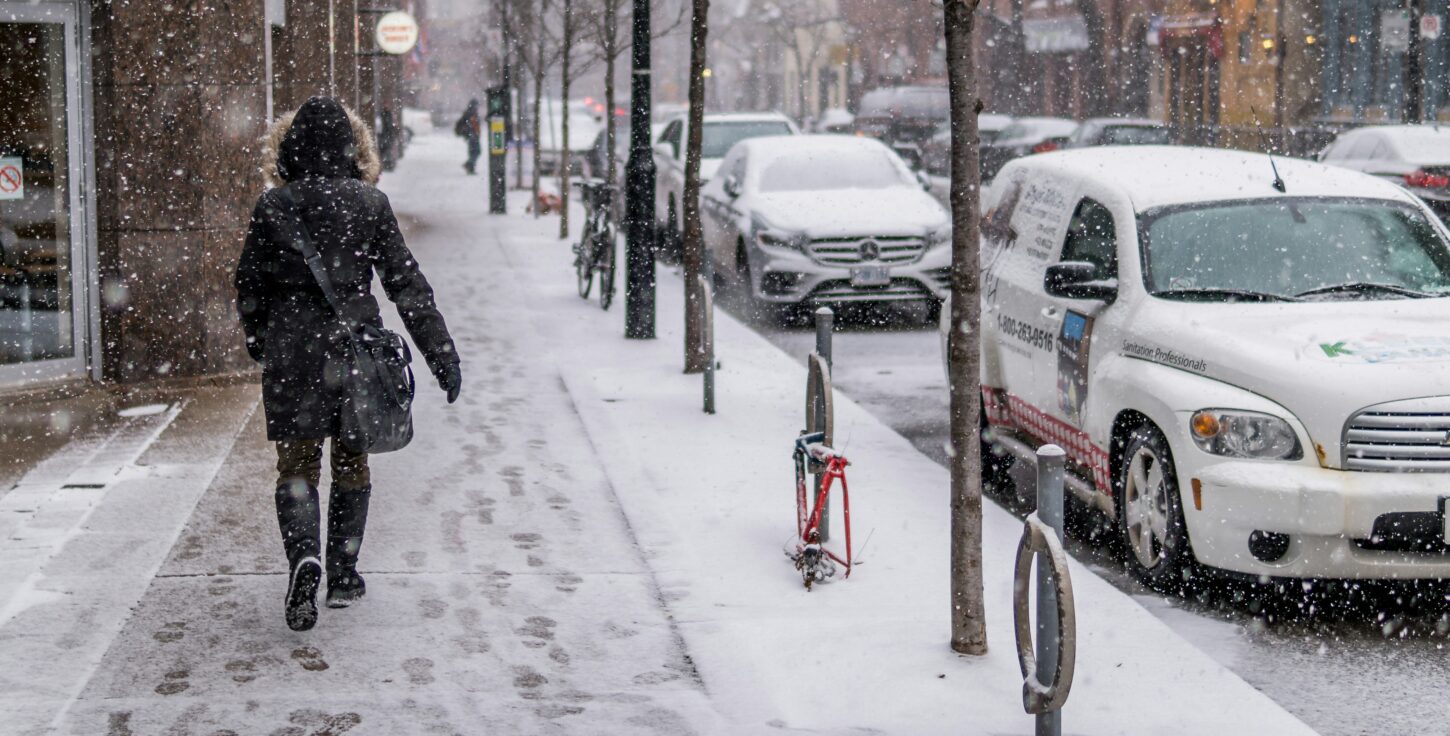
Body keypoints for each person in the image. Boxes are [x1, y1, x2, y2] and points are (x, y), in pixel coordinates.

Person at [235, 96, 463, 632]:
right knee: (352, 463)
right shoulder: (370, 204)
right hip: (354, 350)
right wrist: (441, 355)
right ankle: (342, 572)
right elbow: (407, 286)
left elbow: (248, 282)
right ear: (351, 149)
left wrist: (260, 336)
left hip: (293, 354)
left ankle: (303, 559)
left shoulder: (274, 207)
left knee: (296, 467)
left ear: (288, 150)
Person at [455, 99, 482, 175]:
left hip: (471, 135)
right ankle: (469, 165)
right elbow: (473, 125)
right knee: (476, 151)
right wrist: (473, 133)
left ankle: (470, 167)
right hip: (472, 135)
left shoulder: (468, 113)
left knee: (473, 152)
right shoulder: (471, 113)